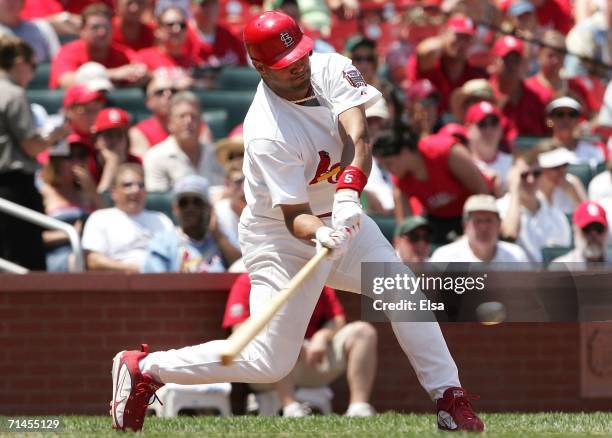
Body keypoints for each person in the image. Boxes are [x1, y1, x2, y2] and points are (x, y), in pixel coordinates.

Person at [110, 11, 484, 433]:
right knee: (267, 362)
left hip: (340, 212)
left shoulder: (331, 67)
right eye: (288, 65)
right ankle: (146, 367)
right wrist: (324, 232)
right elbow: (294, 217)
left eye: (302, 54)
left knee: (399, 288)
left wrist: (346, 197)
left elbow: (358, 138)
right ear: (261, 67)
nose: (301, 67)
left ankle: (449, 397)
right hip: (280, 237)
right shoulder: (266, 131)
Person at [223, 273, 377, 417]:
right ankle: (291, 408)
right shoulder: (249, 279)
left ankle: (359, 407)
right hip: (266, 371)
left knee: (364, 332)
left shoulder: (312, 274)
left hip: (311, 360)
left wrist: (321, 336)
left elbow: (337, 320)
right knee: (275, 338)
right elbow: (239, 331)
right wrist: (289, 341)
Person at [0, 36, 68, 271]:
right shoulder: (13, 93)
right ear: (20, 63)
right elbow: (31, 146)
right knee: (25, 261)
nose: (32, 73)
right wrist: (55, 136)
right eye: (33, 66)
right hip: (13, 186)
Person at [373, 127, 490, 245]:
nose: (388, 170)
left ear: (405, 151)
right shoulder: (400, 178)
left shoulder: (447, 152)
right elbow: (405, 226)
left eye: (389, 163)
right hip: (438, 220)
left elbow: (482, 192)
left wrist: (472, 231)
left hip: (474, 212)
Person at [81, 163, 174, 273]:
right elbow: (93, 261)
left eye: (141, 185)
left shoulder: (162, 220)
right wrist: (133, 269)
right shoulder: (100, 218)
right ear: (114, 192)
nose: (136, 190)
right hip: (117, 282)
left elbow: (176, 255)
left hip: (161, 281)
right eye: (128, 185)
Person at [141, 175, 239, 272]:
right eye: (183, 203)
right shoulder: (162, 243)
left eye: (197, 202)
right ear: (175, 209)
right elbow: (155, 281)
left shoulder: (225, 237)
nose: (190, 208)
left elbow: (242, 268)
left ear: (209, 208)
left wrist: (218, 235)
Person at [40, 140, 106, 271]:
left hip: (91, 254)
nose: (77, 162)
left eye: (81, 156)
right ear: (55, 161)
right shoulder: (43, 191)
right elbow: (34, 238)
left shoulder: (88, 192)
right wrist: (71, 233)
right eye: (70, 156)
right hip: (58, 254)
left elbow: (110, 221)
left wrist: (93, 192)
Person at [143, 91, 225, 193]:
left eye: (193, 116)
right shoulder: (155, 157)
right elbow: (159, 201)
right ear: (170, 123)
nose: (188, 121)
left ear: (201, 122)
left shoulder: (218, 154)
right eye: (182, 116)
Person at [49, 3, 147, 89]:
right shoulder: (68, 51)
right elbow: (66, 81)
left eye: (106, 27)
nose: (102, 32)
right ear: (82, 30)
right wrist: (113, 74)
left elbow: (141, 70)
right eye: (95, 27)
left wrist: (139, 74)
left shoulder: (121, 52)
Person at [497, 153, 571, 262]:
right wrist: (514, 190)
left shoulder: (556, 215)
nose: (531, 180)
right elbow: (509, 234)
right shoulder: (499, 207)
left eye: (536, 174)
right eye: (524, 175)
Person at [406, 14, 487, 112]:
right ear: (444, 33)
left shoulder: (474, 74)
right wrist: (444, 39)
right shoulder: (431, 64)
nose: (462, 43)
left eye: (467, 38)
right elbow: (428, 50)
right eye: (458, 36)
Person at [430, 194, 529, 263]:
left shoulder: (516, 256)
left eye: (489, 220)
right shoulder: (445, 258)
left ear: (499, 225)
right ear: (465, 226)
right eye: (477, 221)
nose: (484, 227)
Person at [487, 35, 548, 137]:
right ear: (494, 61)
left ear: (522, 63)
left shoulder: (537, 97)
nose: (511, 66)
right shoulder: (484, 95)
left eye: (516, 60)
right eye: (506, 60)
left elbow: (549, 126)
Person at [464, 102, 512, 195]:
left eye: (493, 124)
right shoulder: (463, 165)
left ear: (501, 129)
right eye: (482, 124)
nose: (489, 130)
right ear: (468, 129)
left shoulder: (512, 163)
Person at [91, 107, 141, 193]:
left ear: (127, 140)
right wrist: (111, 165)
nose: (114, 141)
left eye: (119, 135)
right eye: (108, 135)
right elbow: (96, 204)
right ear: (96, 141)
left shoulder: (137, 163)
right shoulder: (89, 163)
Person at [545, 97, 605, 168]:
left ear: (578, 120)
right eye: (560, 114)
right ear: (550, 120)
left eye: (572, 114)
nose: (566, 119)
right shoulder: (541, 152)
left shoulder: (593, 152)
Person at [551, 200, 610, 267]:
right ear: (575, 230)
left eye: (599, 229)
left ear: (607, 231)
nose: (593, 234)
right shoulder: (561, 267)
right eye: (587, 229)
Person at [536, 141, 587, 214]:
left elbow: (588, 217)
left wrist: (573, 193)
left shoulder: (572, 182)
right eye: (555, 167)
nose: (562, 170)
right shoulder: (531, 187)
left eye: (564, 165)